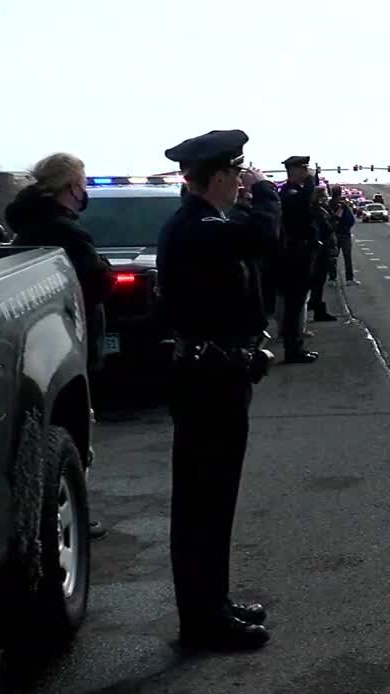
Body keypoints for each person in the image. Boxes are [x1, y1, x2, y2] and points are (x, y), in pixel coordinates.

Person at [157, 129, 278, 652]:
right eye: (236, 174)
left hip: (218, 376)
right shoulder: (198, 226)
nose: (241, 184)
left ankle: (213, 603)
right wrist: (268, 193)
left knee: (213, 501)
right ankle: (202, 622)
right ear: (221, 176)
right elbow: (262, 237)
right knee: (203, 504)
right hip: (209, 381)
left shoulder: (203, 222)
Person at [5, 152, 114, 540]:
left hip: (44, 343)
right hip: (67, 339)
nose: (84, 193)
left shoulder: (26, 225)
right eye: (82, 185)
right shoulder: (66, 232)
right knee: (72, 436)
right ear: (71, 188)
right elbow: (97, 281)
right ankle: (71, 517)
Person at [276, 156, 320, 364]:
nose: (306, 172)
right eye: (303, 169)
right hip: (294, 255)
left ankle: (295, 345)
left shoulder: (297, 191)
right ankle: (293, 349)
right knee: (294, 305)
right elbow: (302, 207)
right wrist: (311, 182)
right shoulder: (290, 193)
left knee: (297, 302)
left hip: (301, 253)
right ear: (293, 170)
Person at [306, 186, 337, 322]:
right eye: (324, 196)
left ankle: (316, 305)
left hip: (324, 248)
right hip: (320, 251)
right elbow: (327, 228)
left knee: (319, 281)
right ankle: (317, 309)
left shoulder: (322, 210)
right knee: (318, 281)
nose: (326, 198)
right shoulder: (317, 211)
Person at [329, 185, 357, 285]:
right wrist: (346, 228)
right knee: (347, 257)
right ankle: (349, 279)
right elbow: (351, 220)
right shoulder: (343, 206)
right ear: (340, 193)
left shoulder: (328, 205)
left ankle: (332, 278)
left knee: (333, 258)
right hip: (344, 235)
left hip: (332, 234)